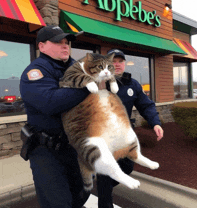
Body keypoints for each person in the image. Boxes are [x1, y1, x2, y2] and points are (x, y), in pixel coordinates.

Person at [20, 25, 91, 208]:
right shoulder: (34, 73)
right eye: (58, 42)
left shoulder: (76, 67)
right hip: (47, 151)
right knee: (57, 203)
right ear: (41, 46)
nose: (65, 46)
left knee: (80, 195)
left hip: (73, 148)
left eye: (67, 42)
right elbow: (51, 102)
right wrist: (87, 87)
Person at [96, 49, 164, 208]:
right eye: (113, 61)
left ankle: (102, 185)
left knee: (127, 167)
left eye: (120, 61)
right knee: (106, 175)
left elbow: (146, 105)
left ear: (124, 64)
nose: (117, 64)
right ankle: (104, 191)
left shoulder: (132, 84)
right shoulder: (98, 82)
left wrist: (155, 123)